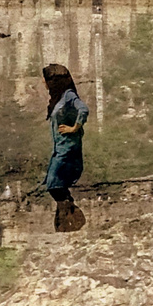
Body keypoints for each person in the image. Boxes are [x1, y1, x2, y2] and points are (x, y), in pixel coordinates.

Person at [42, 63, 88, 232]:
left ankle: (72, 218)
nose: (43, 83)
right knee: (54, 184)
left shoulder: (68, 95)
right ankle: (67, 222)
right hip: (60, 147)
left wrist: (74, 127)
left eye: (46, 80)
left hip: (68, 147)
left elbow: (83, 109)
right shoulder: (59, 98)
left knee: (54, 183)